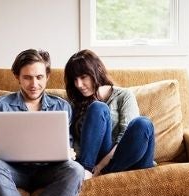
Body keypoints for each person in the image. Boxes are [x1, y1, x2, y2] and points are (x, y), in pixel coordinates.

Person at [0, 49, 84, 196]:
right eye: (27, 78)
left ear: (47, 76)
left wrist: (71, 151)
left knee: (76, 170)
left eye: (39, 77)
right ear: (17, 77)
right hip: (13, 170)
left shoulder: (62, 106)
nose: (34, 84)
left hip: (49, 170)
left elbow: (72, 144)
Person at [64, 49, 155, 179]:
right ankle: (85, 170)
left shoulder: (124, 95)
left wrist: (101, 167)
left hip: (131, 158)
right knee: (98, 108)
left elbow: (127, 136)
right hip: (95, 160)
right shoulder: (74, 103)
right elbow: (75, 143)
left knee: (143, 123)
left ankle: (98, 173)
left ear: (96, 72)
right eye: (75, 80)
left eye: (83, 77)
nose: (79, 84)